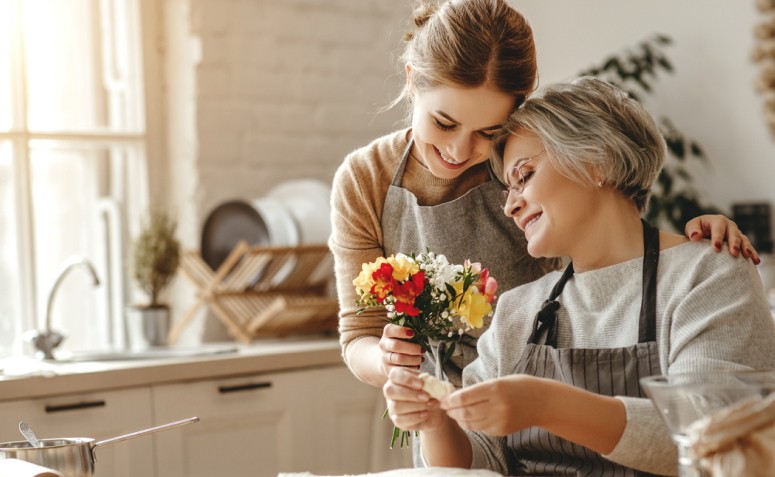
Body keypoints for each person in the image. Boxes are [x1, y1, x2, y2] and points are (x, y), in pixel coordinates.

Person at [330, 0, 758, 392]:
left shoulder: (528, 161)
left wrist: (690, 248)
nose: (460, 151)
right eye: (444, 123)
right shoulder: (365, 180)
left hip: (544, 396)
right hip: (441, 409)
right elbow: (358, 334)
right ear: (412, 81)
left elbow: (607, 254)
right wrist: (390, 361)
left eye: (488, 132)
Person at [382, 77, 775, 476]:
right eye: (508, 189)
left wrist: (546, 405)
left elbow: (714, 441)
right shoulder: (519, 310)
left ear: (596, 160)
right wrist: (436, 424)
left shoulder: (708, 274)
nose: (511, 206)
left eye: (525, 175)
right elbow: (481, 459)